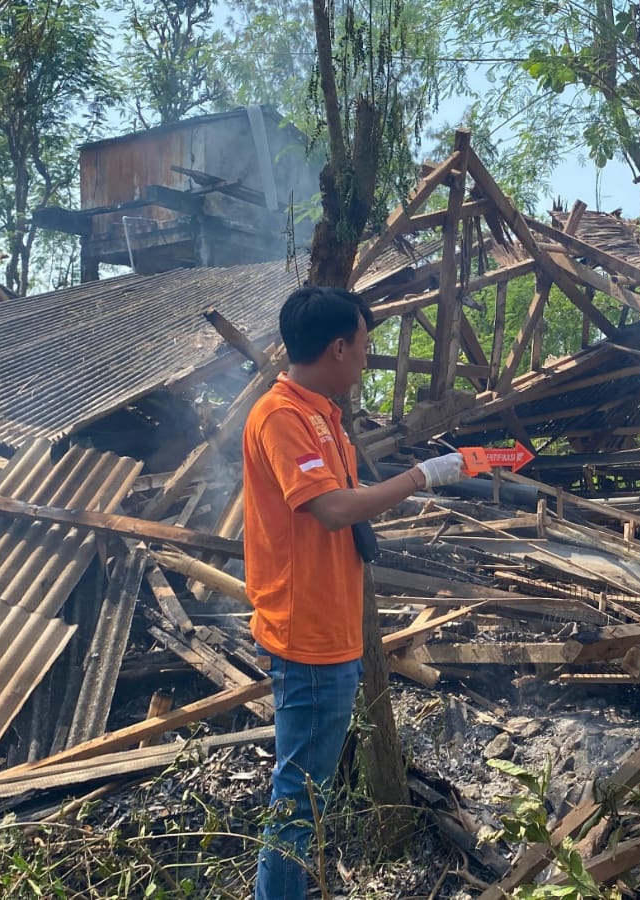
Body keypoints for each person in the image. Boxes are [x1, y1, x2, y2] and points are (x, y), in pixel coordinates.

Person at [243, 284, 466, 900]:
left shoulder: (321, 415)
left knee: (306, 790)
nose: (368, 357)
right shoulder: (283, 416)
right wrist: (421, 476)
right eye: (365, 345)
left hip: (329, 628)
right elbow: (334, 509)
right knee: (298, 797)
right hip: (306, 632)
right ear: (338, 347)